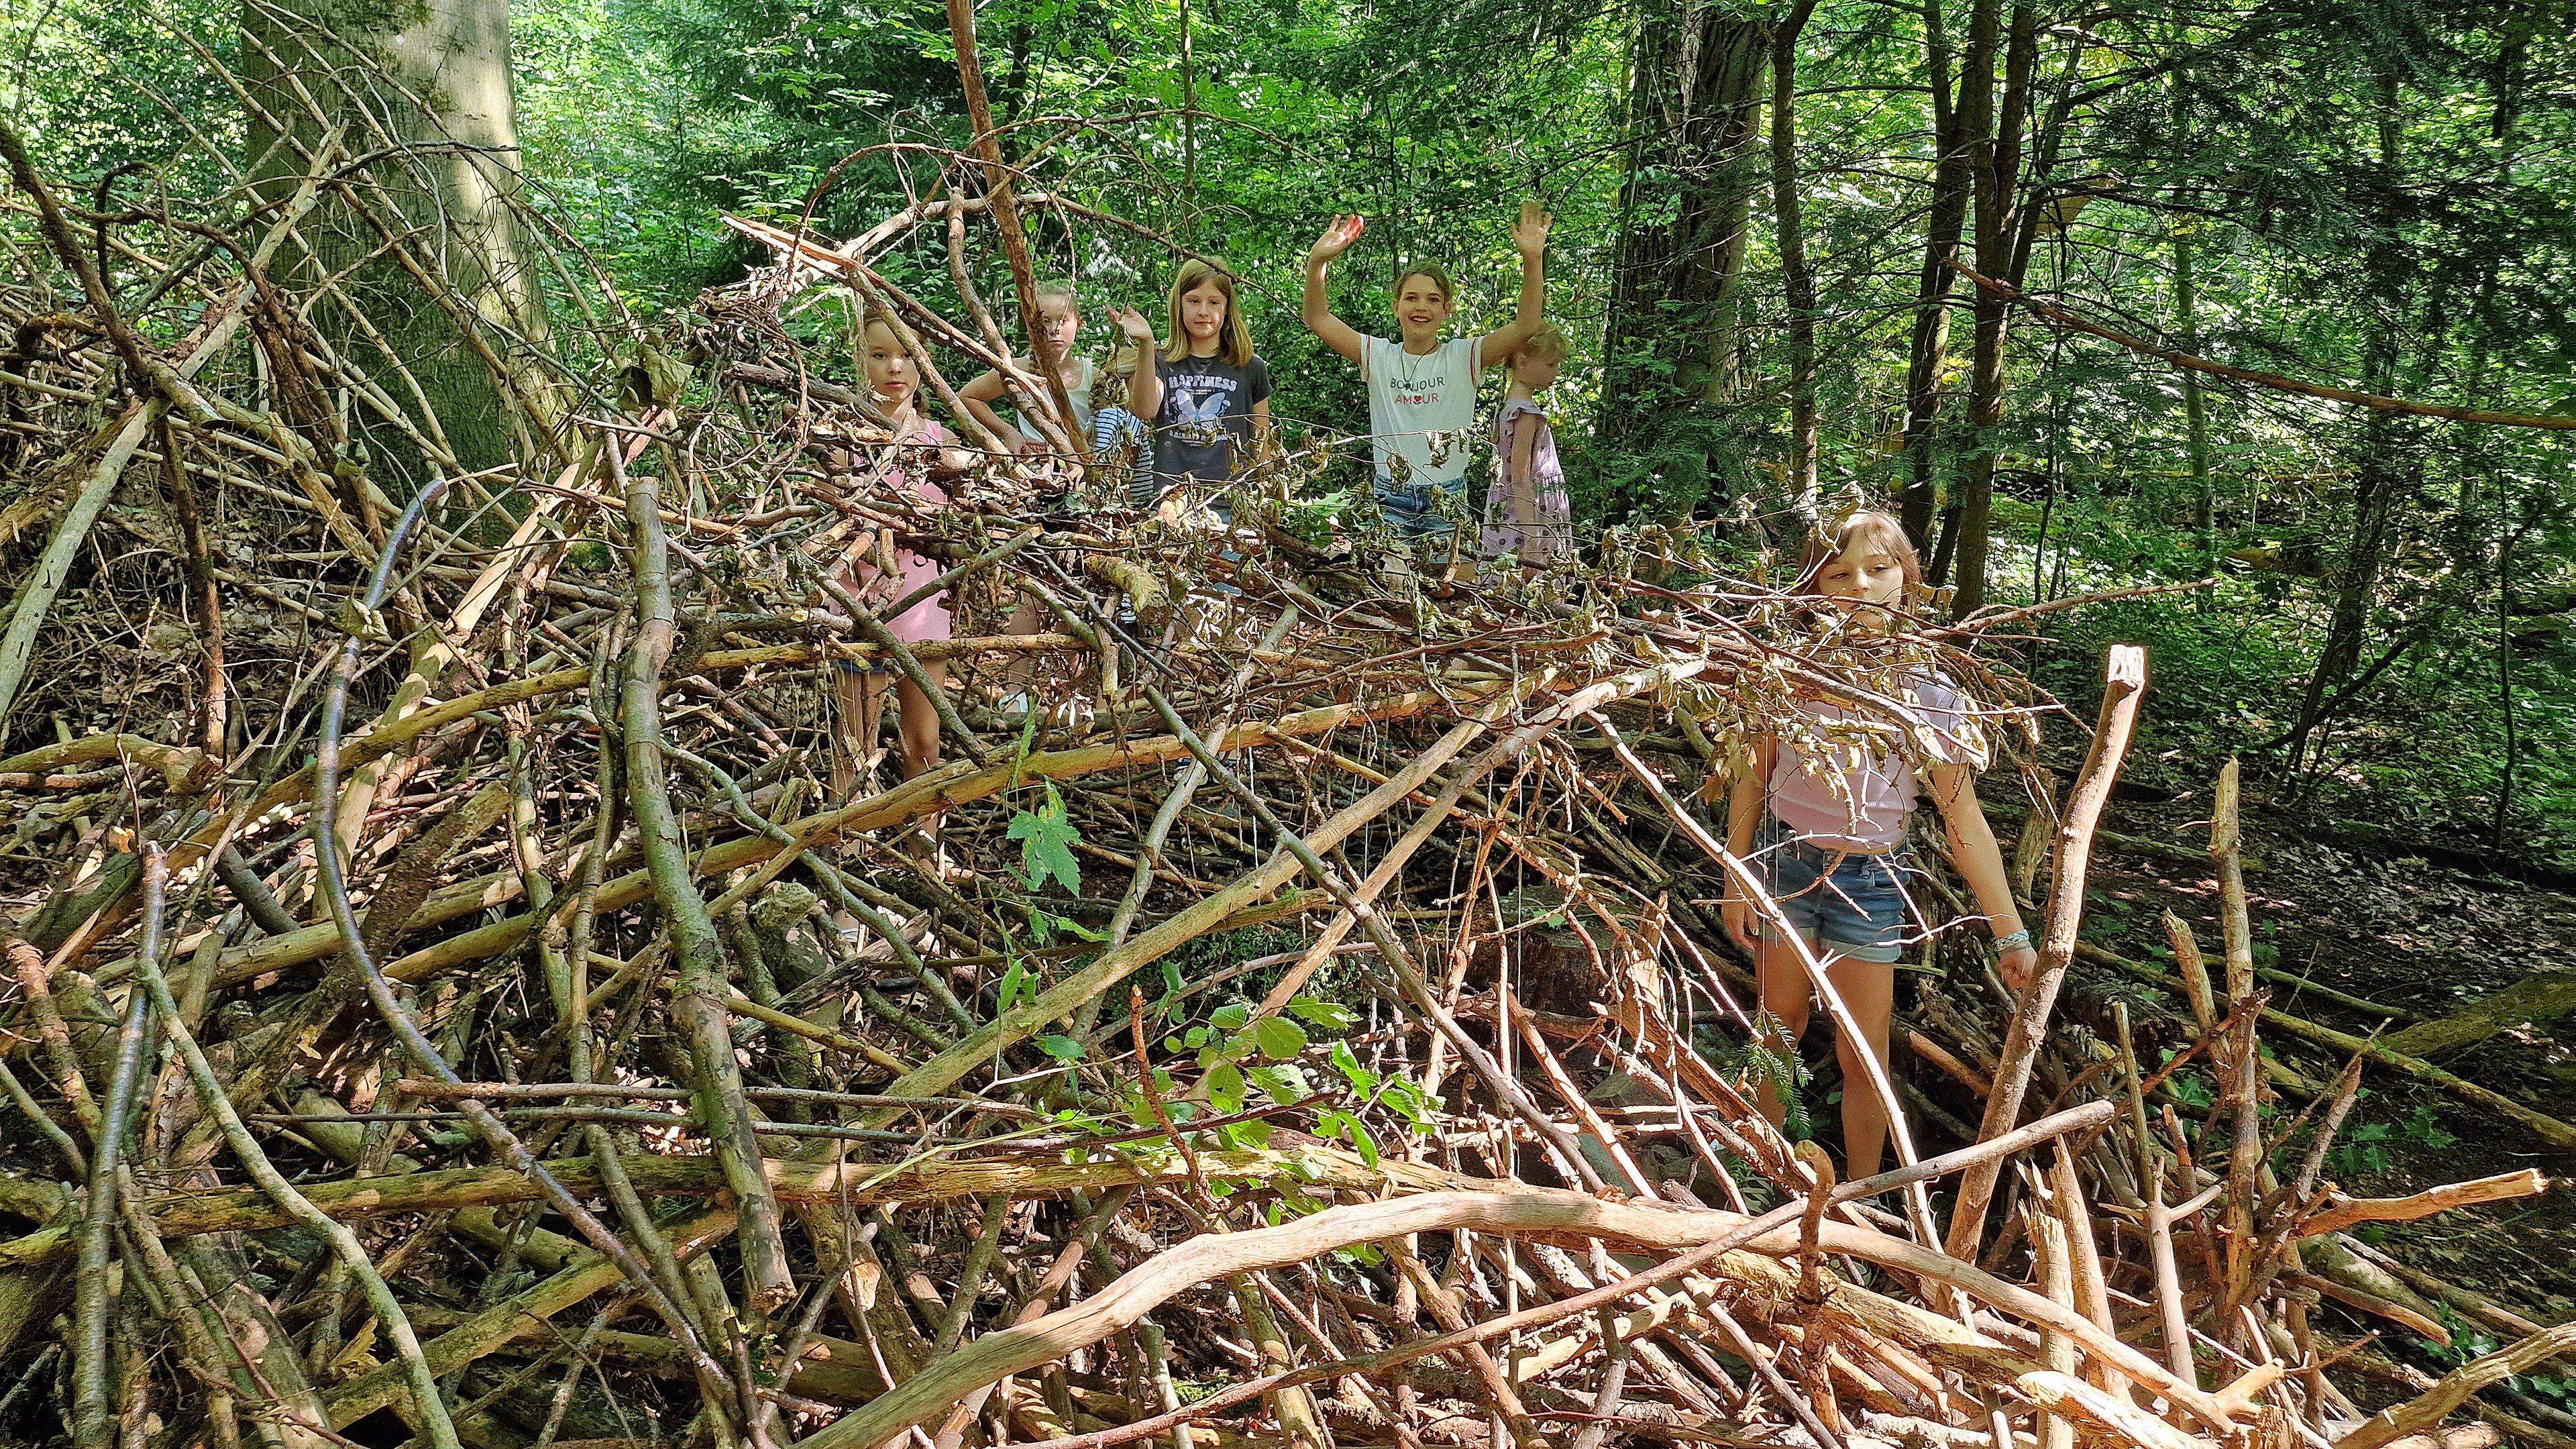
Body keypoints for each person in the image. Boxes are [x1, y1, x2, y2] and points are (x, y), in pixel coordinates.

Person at [1719, 510, 2035, 1181]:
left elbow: (1964, 820)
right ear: (1814, 588)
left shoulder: (1931, 688)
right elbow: (1753, 774)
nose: (1860, 585)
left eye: (1879, 568)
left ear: (1907, 576)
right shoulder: (1792, 672)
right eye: (1840, 573)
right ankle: (1754, 1178)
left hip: (1872, 880)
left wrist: (2010, 935)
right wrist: (1735, 873)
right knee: (1779, 1023)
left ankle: (1863, 1197)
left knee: (1865, 1052)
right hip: (1785, 861)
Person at [1301, 200, 1550, 542]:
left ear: (1447, 310)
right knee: (1393, 584)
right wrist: (1318, 262)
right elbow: (1318, 318)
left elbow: (1526, 326)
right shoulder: (1378, 355)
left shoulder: (1465, 357)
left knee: (1443, 588)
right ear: (1397, 306)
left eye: (1433, 300)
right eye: (1412, 298)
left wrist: (1532, 259)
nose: (1421, 306)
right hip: (1391, 494)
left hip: (1446, 496)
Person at [830, 311, 972, 794]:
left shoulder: (944, 444)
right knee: (854, 746)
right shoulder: (842, 443)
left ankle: (927, 848)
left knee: (924, 745)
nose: (894, 367)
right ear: (860, 360)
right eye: (879, 355)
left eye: (906, 355)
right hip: (858, 611)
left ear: (924, 363)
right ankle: (848, 849)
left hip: (926, 614)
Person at [1114, 260, 1271, 525]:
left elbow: (1262, 442)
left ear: (1227, 308)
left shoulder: (1249, 366)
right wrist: (1146, 345)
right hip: (1171, 502)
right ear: (1179, 305)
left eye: (1214, 302)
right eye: (1194, 301)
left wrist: (1268, 499)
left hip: (1233, 505)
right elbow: (1144, 410)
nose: (1203, 312)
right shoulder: (1162, 362)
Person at [958, 279, 1095, 455]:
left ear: (1079, 324)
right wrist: (1008, 432)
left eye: (1063, 320)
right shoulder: (1019, 369)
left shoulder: (1093, 376)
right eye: (1045, 321)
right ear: (1032, 325)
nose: (1054, 329)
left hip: (1085, 471)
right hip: (1036, 470)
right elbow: (968, 396)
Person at [1480, 323, 1574, 578]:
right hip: (1528, 514)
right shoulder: (1525, 415)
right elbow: (1520, 477)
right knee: (1532, 586)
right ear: (1522, 361)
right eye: (1551, 364)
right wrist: (1533, 539)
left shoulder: (1509, 407)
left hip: (1514, 509)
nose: (1557, 371)